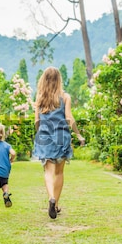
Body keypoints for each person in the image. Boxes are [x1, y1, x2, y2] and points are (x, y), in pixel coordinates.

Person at [33, 66, 85, 219]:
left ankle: (51, 198)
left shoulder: (40, 97)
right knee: (59, 172)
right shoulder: (65, 96)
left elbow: (37, 120)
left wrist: (39, 134)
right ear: (59, 80)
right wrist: (78, 134)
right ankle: (55, 205)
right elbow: (69, 118)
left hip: (44, 136)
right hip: (62, 136)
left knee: (48, 171)